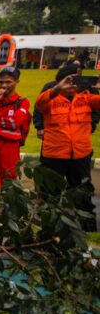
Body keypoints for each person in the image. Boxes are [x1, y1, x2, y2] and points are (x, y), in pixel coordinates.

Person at [34, 70, 100, 231]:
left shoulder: (86, 99)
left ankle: (87, 227)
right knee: (50, 192)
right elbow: (39, 103)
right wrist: (57, 89)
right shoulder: (51, 98)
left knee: (82, 191)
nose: (71, 85)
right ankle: (49, 228)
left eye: (75, 81)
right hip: (54, 154)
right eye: (67, 81)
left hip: (80, 154)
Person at [34, 62, 99, 139]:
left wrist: (92, 125)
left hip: (81, 148)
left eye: (78, 80)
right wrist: (39, 127)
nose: (73, 85)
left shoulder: (86, 96)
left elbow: (96, 111)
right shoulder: (51, 95)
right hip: (55, 147)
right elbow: (39, 104)